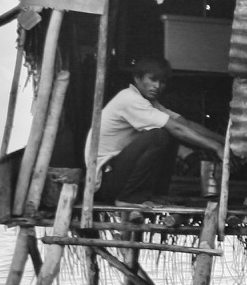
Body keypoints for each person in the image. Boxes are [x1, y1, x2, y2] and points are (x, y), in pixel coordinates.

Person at [92, 55, 224, 203]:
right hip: (104, 181)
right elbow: (176, 128)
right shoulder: (129, 99)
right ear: (137, 79)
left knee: (169, 134)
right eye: (153, 80)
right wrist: (215, 147)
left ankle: (155, 195)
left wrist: (224, 142)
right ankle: (128, 198)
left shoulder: (150, 103)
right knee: (159, 135)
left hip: (117, 175)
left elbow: (185, 124)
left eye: (162, 82)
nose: (157, 86)